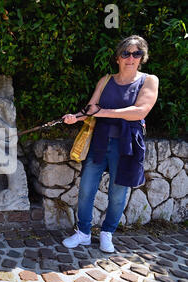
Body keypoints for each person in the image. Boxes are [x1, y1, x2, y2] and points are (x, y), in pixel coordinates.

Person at [61, 35, 159, 253]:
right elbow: (90, 109)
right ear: (118, 58)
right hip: (100, 140)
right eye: (126, 53)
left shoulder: (149, 80)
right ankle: (83, 233)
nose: (130, 58)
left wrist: (103, 112)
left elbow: (140, 111)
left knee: (117, 193)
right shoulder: (106, 80)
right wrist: (75, 117)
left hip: (127, 144)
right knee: (86, 189)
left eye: (136, 54)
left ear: (142, 58)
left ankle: (107, 233)